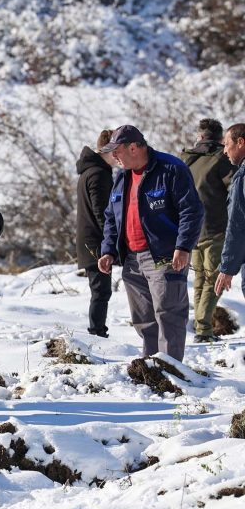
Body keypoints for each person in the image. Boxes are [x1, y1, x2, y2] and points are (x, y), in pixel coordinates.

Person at [98, 125, 204, 361]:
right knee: (143, 317)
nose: (114, 157)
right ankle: (150, 368)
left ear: (133, 147)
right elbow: (111, 218)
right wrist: (107, 250)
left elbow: (192, 211)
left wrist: (183, 246)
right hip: (132, 258)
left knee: (168, 312)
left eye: (117, 151)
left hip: (164, 255)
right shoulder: (122, 177)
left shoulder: (171, 168)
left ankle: (170, 370)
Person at [181, 118, 236, 343]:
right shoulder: (221, 159)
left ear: (200, 136)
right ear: (219, 138)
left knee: (200, 280)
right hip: (215, 228)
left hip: (191, 230)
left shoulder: (185, 160)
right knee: (214, 280)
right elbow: (234, 190)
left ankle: (200, 325)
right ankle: (203, 330)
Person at [76, 130, 116, 338]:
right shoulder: (98, 174)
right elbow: (102, 212)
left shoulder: (91, 171)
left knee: (100, 290)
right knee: (101, 291)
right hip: (96, 241)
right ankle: (97, 332)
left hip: (90, 239)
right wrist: (111, 239)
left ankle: (98, 330)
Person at [215, 123, 245, 301]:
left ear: (240, 142)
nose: (225, 151)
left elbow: (238, 224)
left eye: (227, 144)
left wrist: (227, 268)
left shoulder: (242, 178)